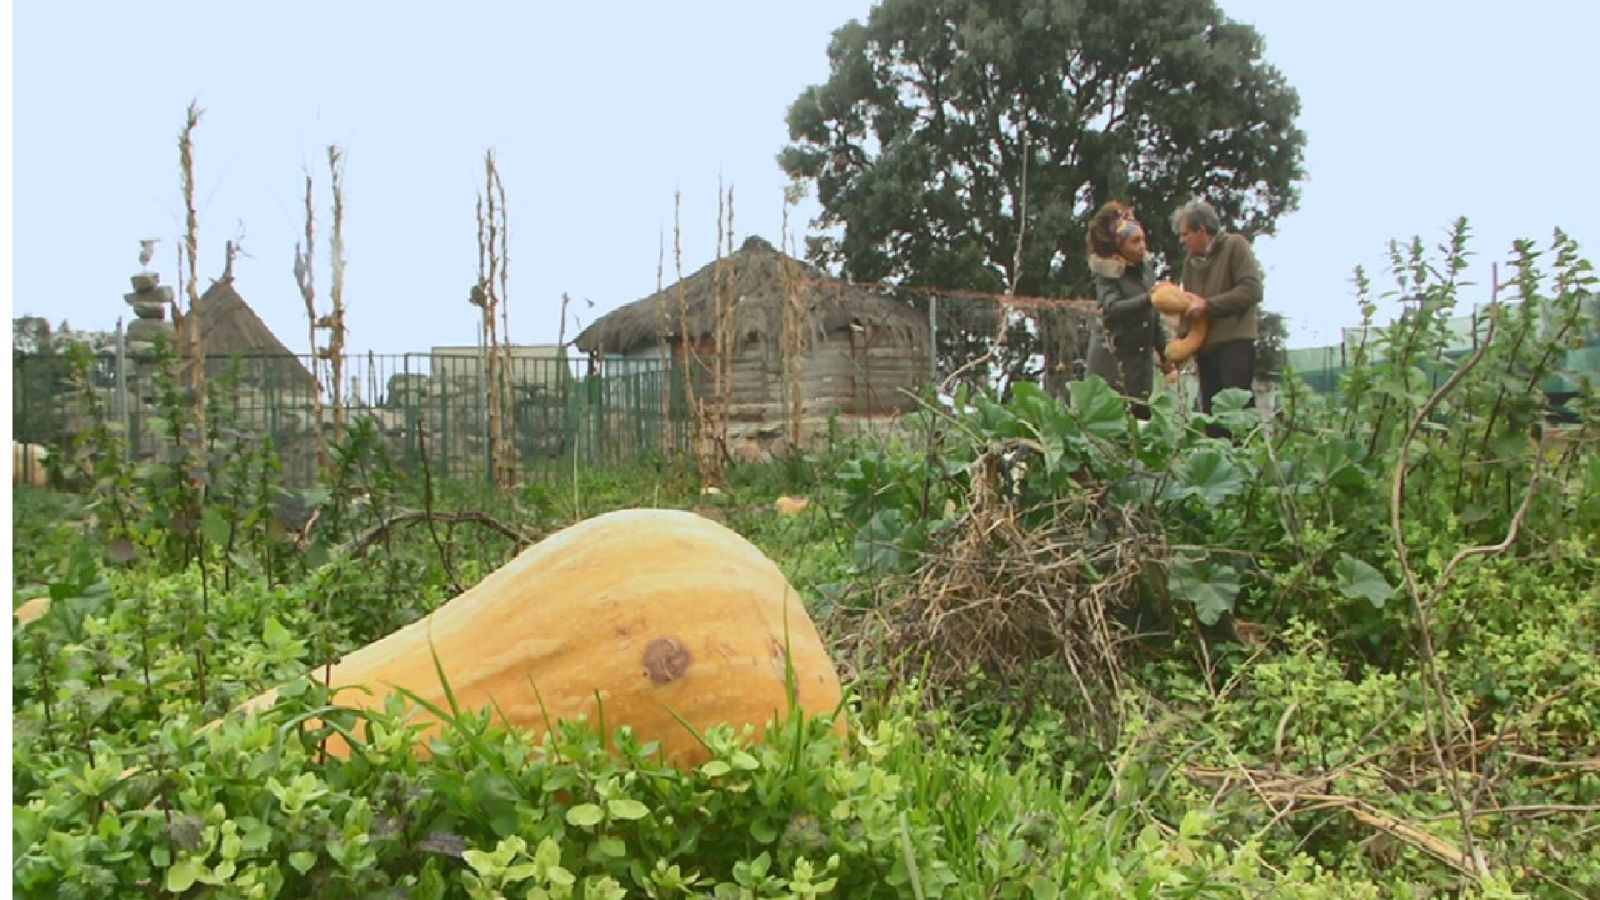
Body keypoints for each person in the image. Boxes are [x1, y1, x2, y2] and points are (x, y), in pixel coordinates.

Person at [1170, 199, 1264, 415]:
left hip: (1235, 344)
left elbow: (1252, 290)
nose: (1182, 241)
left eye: (1185, 234)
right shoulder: (1189, 263)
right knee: (1212, 416)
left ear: (1201, 230)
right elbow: (1189, 304)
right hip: (1206, 349)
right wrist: (1180, 343)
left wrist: (1209, 306)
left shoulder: (1235, 246)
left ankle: (1246, 449)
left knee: (1237, 411)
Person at [1085, 201, 1170, 418]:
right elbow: (1112, 308)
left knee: (1140, 426)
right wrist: (1148, 298)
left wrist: (1165, 353)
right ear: (1119, 244)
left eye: (1143, 239)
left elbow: (1153, 315)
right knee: (1111, 423)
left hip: (1140, 366)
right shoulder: (1107, 273)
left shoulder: (1146, 270)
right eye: (1135, 241)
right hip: (1113, 362)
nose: (1142, 246)